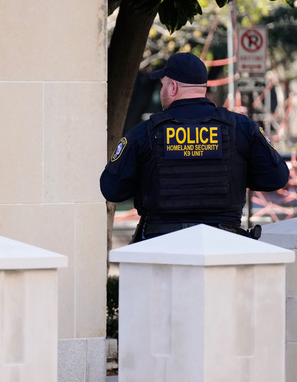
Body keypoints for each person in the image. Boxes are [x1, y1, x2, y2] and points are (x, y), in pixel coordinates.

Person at [100, 51, 289, 241]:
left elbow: (111, 189)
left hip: (160, 245)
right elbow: (277, 178)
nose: (162, 90)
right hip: (223, 243)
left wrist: (145, 176)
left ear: (173, 87)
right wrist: (237, 172)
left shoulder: (144, 133)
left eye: (163, 85)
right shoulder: (241, 128)